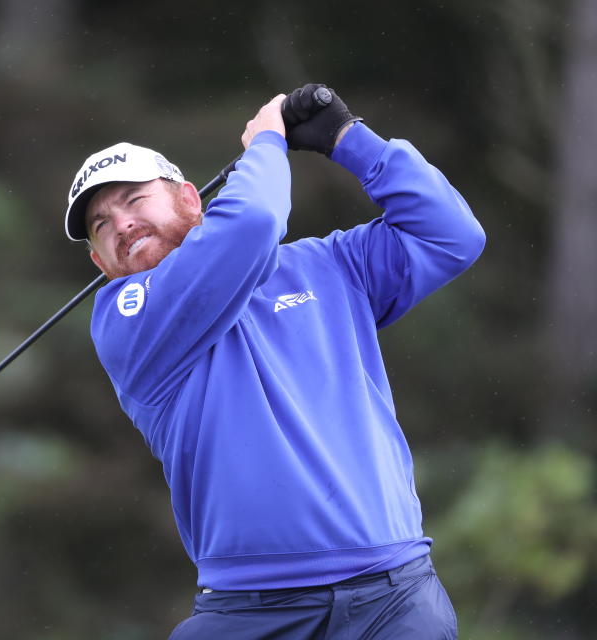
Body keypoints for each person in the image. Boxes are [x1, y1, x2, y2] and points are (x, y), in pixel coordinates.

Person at [62, 84, 484, 639]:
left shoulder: (328, 265)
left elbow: (452, 235)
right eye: (101, 224)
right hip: (251, 610)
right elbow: (254, 223)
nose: (121, 225)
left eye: (135, 201)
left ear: (191, 199)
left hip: (394, 595)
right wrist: (265, 141)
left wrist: (348, 140)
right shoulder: (125, 318)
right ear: (100, 261)